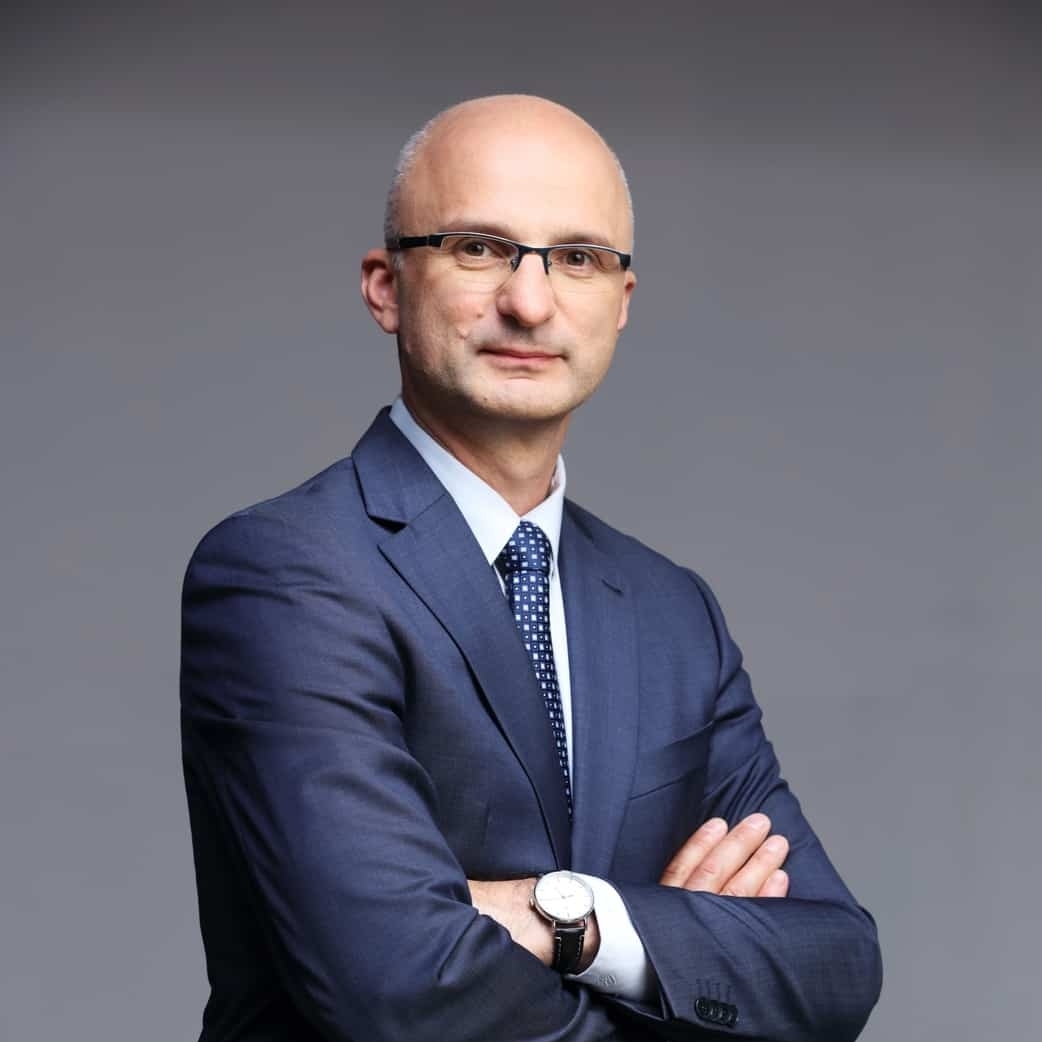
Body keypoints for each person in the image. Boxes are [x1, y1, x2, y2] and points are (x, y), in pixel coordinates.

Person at [180, 94, 882, 1042]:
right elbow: (398, 989)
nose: (530, 302)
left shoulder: (672, 611)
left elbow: (836, 963)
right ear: (386, 286)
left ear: (621, 304)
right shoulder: (287, 572)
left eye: (578, 258)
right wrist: (675, 958)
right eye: (479, 248)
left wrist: (570, 919)